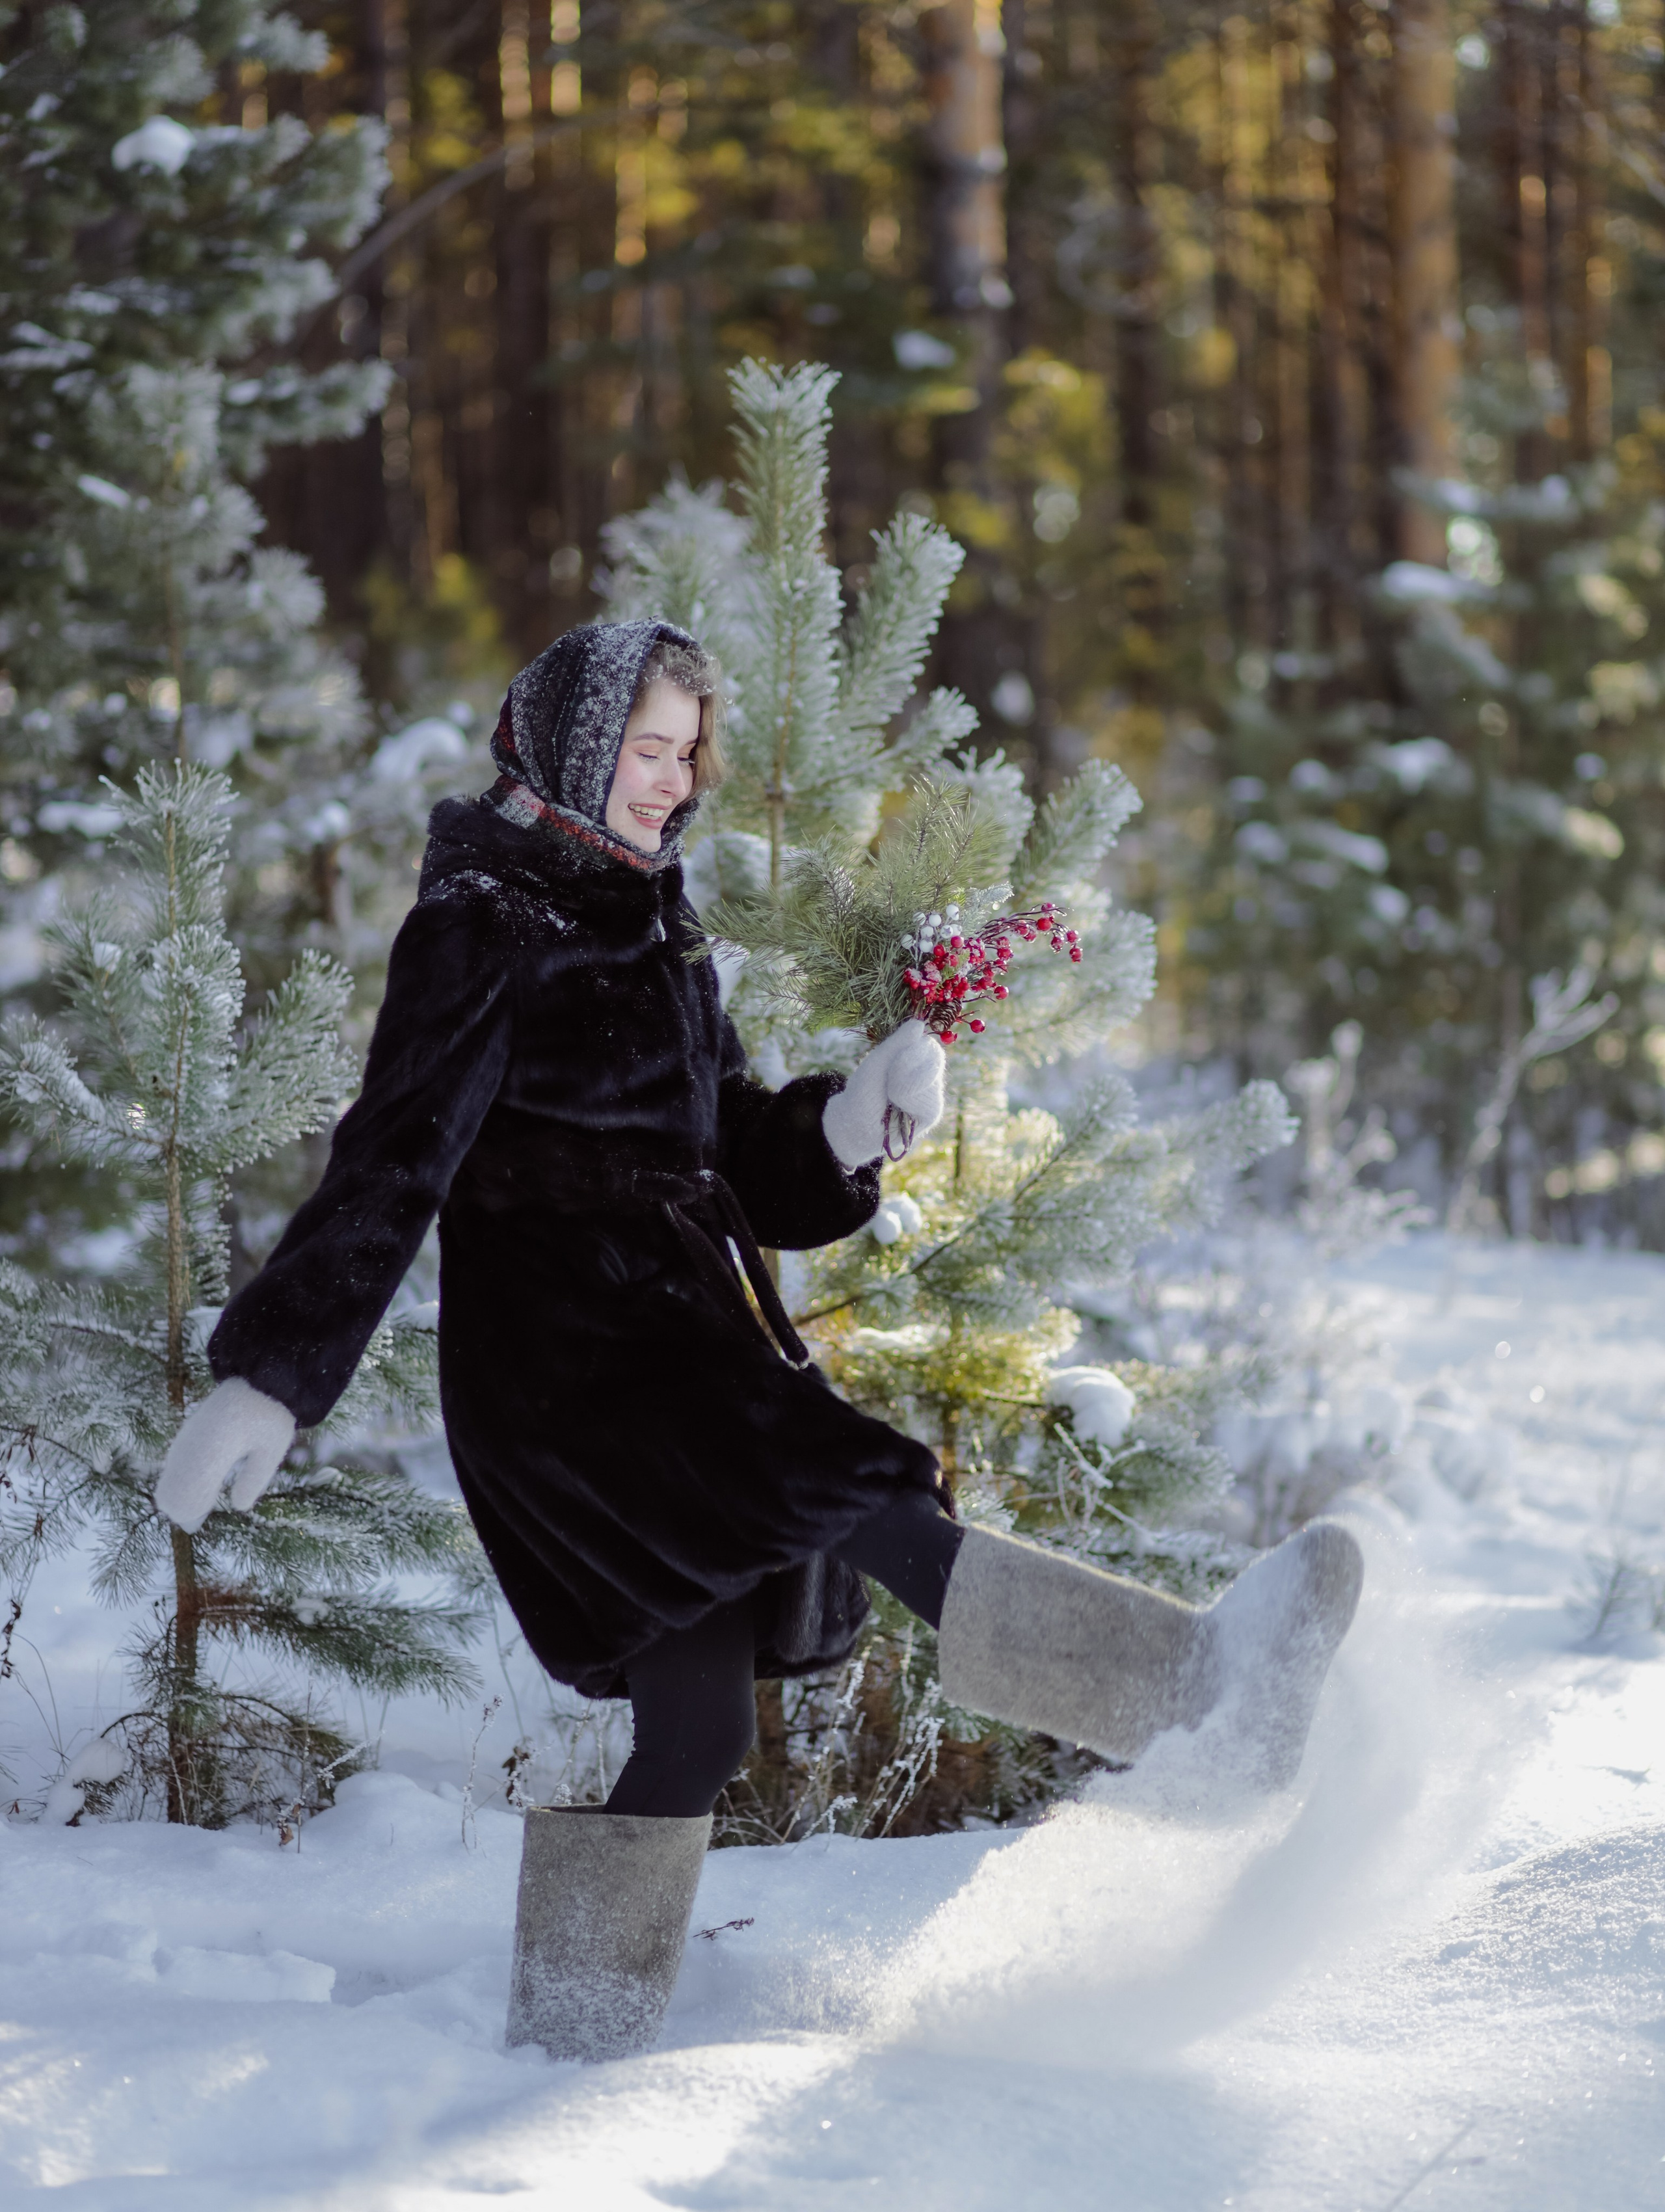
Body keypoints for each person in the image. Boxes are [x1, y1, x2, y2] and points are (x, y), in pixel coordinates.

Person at [155, 619, 1363, 2064]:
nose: (671, 781)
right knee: (853, 1485)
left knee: (699, 1732)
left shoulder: (652, 915)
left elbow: (731, 1153)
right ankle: (1193, 1695)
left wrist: (845, 1121)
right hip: (568, 1374)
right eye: (644, 749)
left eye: (687, 753)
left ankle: (568, 2040)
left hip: (677, 1341)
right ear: (568, 749)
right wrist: (271, 1377)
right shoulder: (484, 920)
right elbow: (392, 1158)